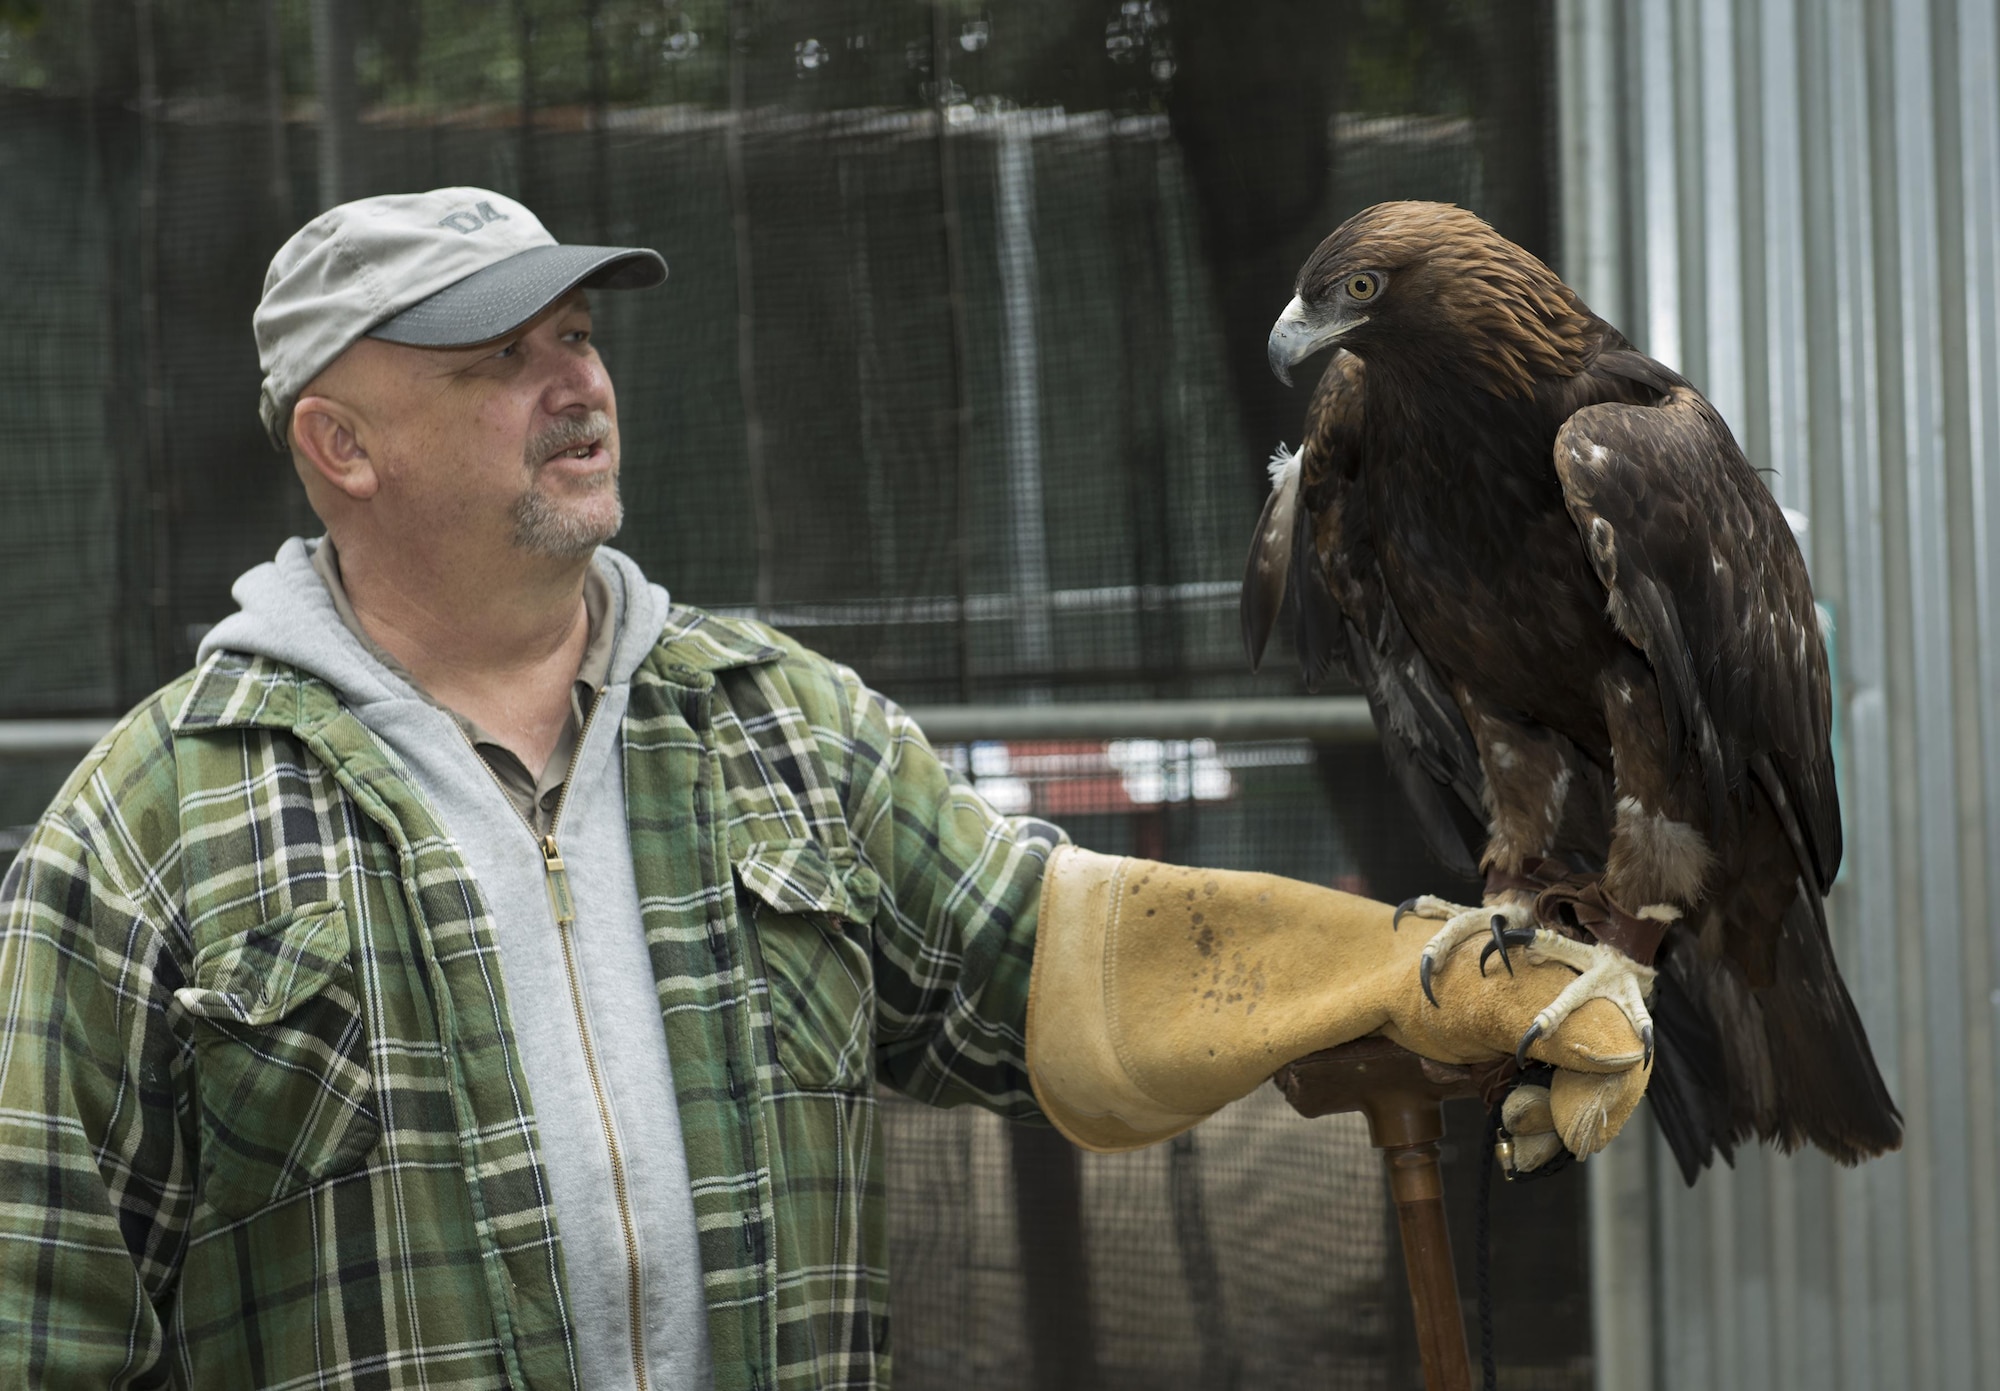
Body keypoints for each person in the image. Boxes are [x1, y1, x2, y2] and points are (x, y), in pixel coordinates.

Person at [0, 189, 1648, 1390]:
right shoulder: (150, 838)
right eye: (500, 358)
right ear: (340, 446)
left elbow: (1055, 962)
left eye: (578, 335)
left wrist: (1401, 976)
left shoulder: (776, 728)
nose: (577, 383)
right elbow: (44, 1319)